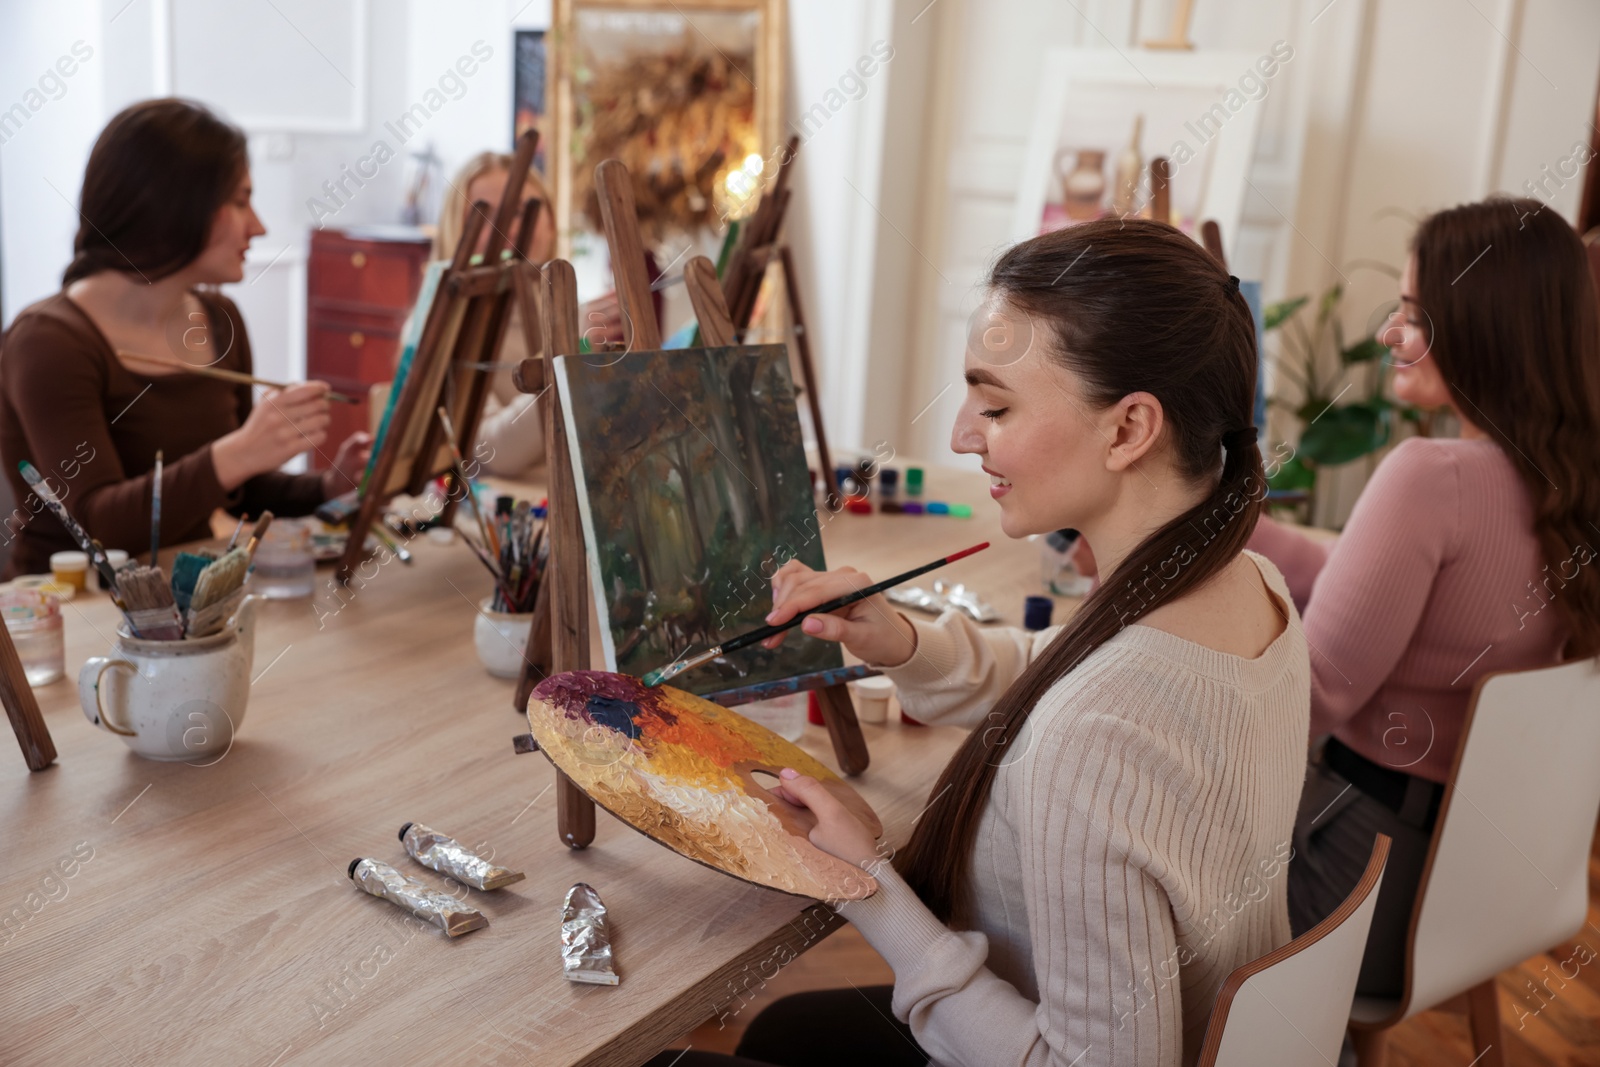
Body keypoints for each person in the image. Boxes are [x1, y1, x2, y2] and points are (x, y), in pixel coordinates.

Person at [652, 218, 1311, 1067]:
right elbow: (1053, 673)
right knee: (788, 1031)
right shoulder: (1251, 586)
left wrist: (872, 885)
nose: (963, 434)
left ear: (1128, 430)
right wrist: (898, 639)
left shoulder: (1096, 732)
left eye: (995, 404)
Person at [1243, 198, 1600, 995]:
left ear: (1482, 326)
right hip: (1474, 890)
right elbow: (1369, 589)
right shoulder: (1565, 482)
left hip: (1350, 892)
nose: (1387, 335)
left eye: (1410, 313)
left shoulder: (1433, 479)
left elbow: (1314, 696)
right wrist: (1239, 533)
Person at [0, 98, 369, 579]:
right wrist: (237, 451)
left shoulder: (220, 319)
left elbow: (239, 490)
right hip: (72, 613)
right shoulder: (49, 343)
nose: (258, 226)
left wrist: (329, 486)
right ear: (172, 207)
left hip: (186, 598)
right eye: (240, 201)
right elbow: (96, 525)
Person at [429, 152, 624, 479]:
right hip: (508, 507)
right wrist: (573, 356)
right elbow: (493, 452)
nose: (508, 228)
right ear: (456, 229)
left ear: (549, 221)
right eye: (484, 214)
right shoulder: (447, 328)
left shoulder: (576, 312)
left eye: (524, 211)